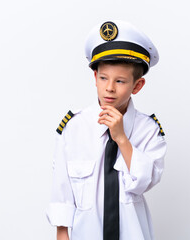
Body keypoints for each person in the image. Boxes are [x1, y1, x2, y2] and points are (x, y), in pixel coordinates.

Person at [46, 20, 167, 240]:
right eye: (103, 78)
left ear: (137, 86)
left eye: (120, 81)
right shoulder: (74, 128)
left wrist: (121, 138)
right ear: (95, 78)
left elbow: (144, 181)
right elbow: (61, 191)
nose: (109, 88)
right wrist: (62, 233)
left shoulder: (148, 130)